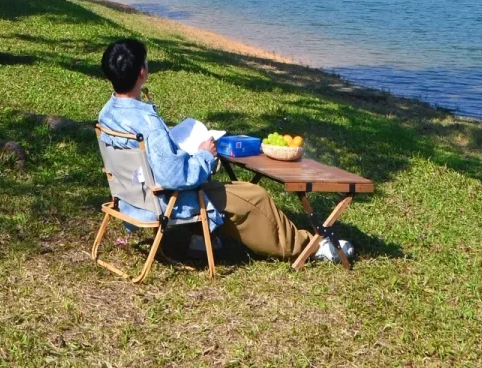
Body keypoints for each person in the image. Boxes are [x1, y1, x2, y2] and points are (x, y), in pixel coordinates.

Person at [97, 36, 354, 263]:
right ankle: (309, 246)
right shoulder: (147, 123)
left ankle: (201, 240)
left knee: (237, 190)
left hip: (132, 197)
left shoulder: (107, 113)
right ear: (142, 72)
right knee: (254, 197)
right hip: (164, 200)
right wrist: (204, 155)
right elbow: (174, 176)